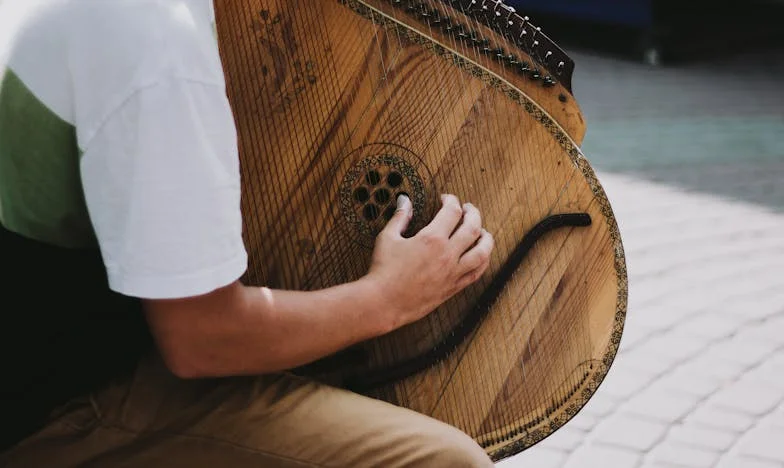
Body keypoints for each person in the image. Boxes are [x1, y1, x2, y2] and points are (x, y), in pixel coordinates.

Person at [0, 0, 496, 466]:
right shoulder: (157, 44)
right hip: (53, 403)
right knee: (449, 460)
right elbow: (201, 339)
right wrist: (389, 297)